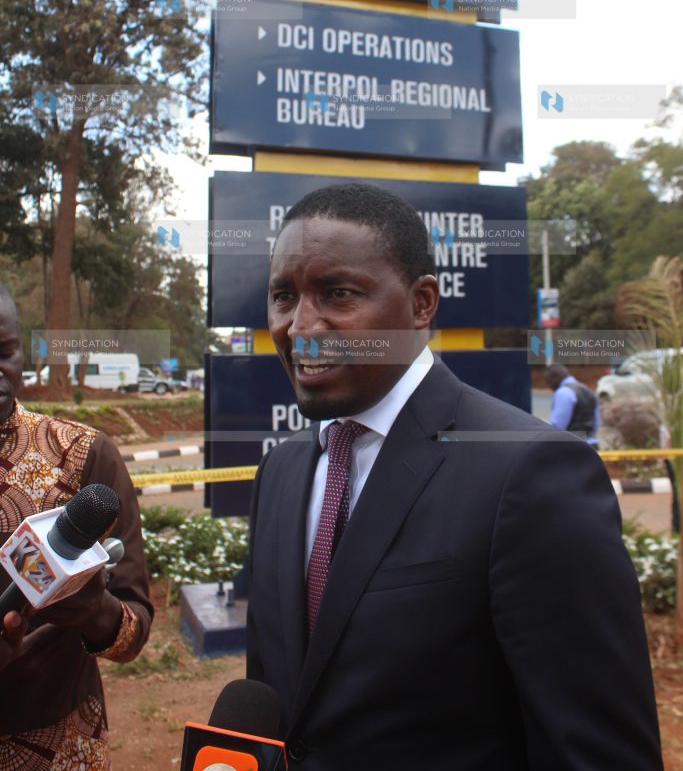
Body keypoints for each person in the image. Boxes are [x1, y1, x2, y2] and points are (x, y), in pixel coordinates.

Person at [246, 183, 662, 770]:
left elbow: (599, 754)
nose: (300, 325)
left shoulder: (531, 473)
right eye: (283, 297)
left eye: (338, 294)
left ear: (422, 304)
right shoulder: (281, 471)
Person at [0, 283, 153, 770]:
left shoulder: (82, 455)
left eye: (3, 353)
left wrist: (95, 611)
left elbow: (134, 629)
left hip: (55, 742)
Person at [544, 363, 600, 446]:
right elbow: (596, 423)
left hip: (573, 446)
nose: (549, 386)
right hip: (592, 445)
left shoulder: (563, 392)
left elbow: (557, 427)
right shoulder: (587, 390)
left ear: (555, 376)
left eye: (549, 381)